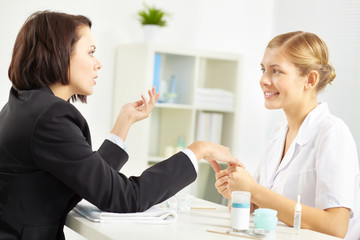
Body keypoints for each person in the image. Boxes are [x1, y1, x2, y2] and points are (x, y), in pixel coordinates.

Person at [0, 11, 241, 240]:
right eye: (91, 52)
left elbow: (88, 179)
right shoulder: (50, 117)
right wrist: (197, 150)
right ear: (59, 53)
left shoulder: (23, 104)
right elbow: (123, 197)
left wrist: (124, 121)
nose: (98, 64)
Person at [215, 31, 360, 239]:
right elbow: (262, 207)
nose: (263, 80)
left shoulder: (332, 133)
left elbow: (336, 227)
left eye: (276, 71)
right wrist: (239, 196)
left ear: (310, 79)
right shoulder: (278, 133)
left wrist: (254, 191)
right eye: (263, 69)